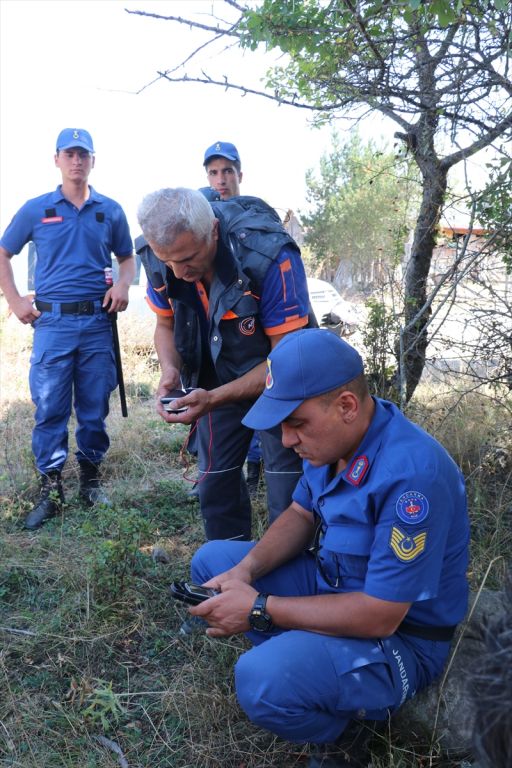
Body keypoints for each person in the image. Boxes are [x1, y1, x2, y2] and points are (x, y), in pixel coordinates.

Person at [185, 329, 470, 767]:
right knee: (216, 562)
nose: (286, 441)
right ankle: (306, 659)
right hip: (333, 584)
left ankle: (345, 732)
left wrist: (260, 607)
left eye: (296, 424)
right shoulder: (339, 441)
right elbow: (301, 513)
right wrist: (246, 573)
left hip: (399, 638)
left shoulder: (413, 478)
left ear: (347, 406)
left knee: (260, 680)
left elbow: (380, 614)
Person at [136, 187, 310, 541]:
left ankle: (287, 583)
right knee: (215, 484)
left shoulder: (270, 257)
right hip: (214, 378)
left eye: (188, 258)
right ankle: (227, 575)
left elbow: (285, 362)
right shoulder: (157, 257)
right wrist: (170, 368)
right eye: (167, 260)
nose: (178, 271)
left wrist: (214, 399)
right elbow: (165, 324)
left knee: (286, 489)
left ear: (213, 230)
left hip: (279, 384)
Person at [0, 128, 135, 530]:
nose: (77, 161)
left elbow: (127, 259)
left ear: (93, 161)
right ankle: (51, 490)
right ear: (56, 159)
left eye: (84, 155)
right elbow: (3, 252)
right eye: (70, 154)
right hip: (53, 322)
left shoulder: (109, 211)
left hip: (96, 321)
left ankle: (91, 484)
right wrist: (16, 301)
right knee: (50, 407)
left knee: (95, 407)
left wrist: (124, 285)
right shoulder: (37, 209)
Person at [202, 140, 263, 496]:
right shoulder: (199, 218)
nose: (221, 179)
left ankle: (255, 470)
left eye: (227, 171)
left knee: (259, 394)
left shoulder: (253, 221)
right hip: (217, 332)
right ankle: (218, 474)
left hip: (251, 326)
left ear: (240, 174)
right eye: (214, 172)